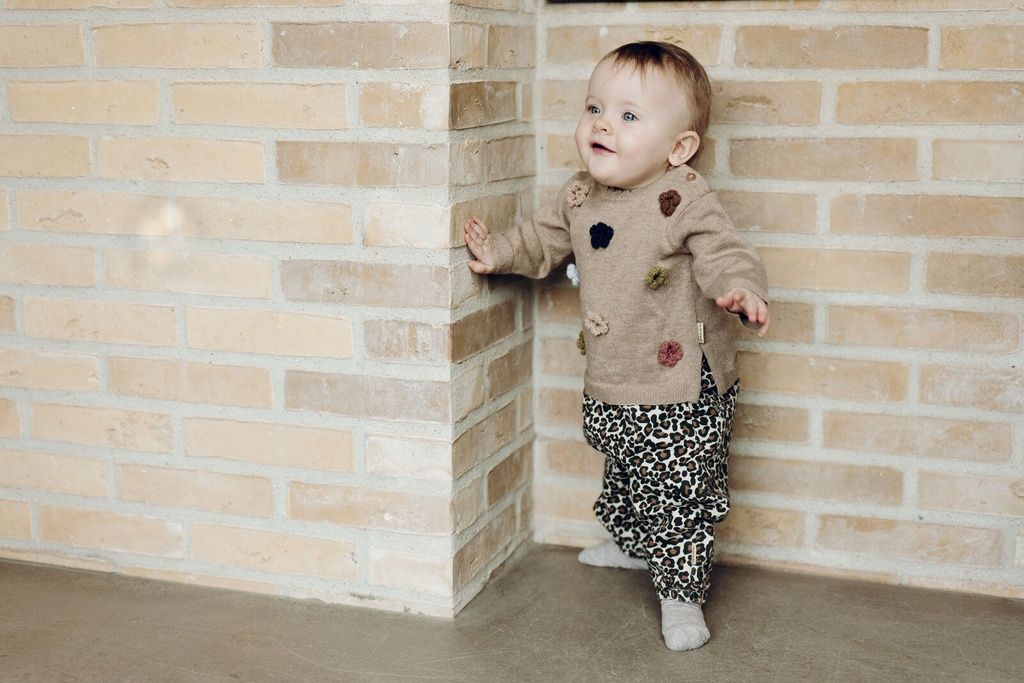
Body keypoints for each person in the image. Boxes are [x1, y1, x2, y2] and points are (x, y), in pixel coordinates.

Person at [463, 41, 770, 651]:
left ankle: (681, 593)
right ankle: (633, 546)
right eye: (594, 108)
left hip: (681, 385)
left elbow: (724, 251)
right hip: (613, 372)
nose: (602, 124)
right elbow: (542, 241)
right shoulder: (579, 196)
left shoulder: (684, 197)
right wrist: (500, 252)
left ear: (679, 148)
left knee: (677, 490)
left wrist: (739, 289)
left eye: (629, 116)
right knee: (625, 467)